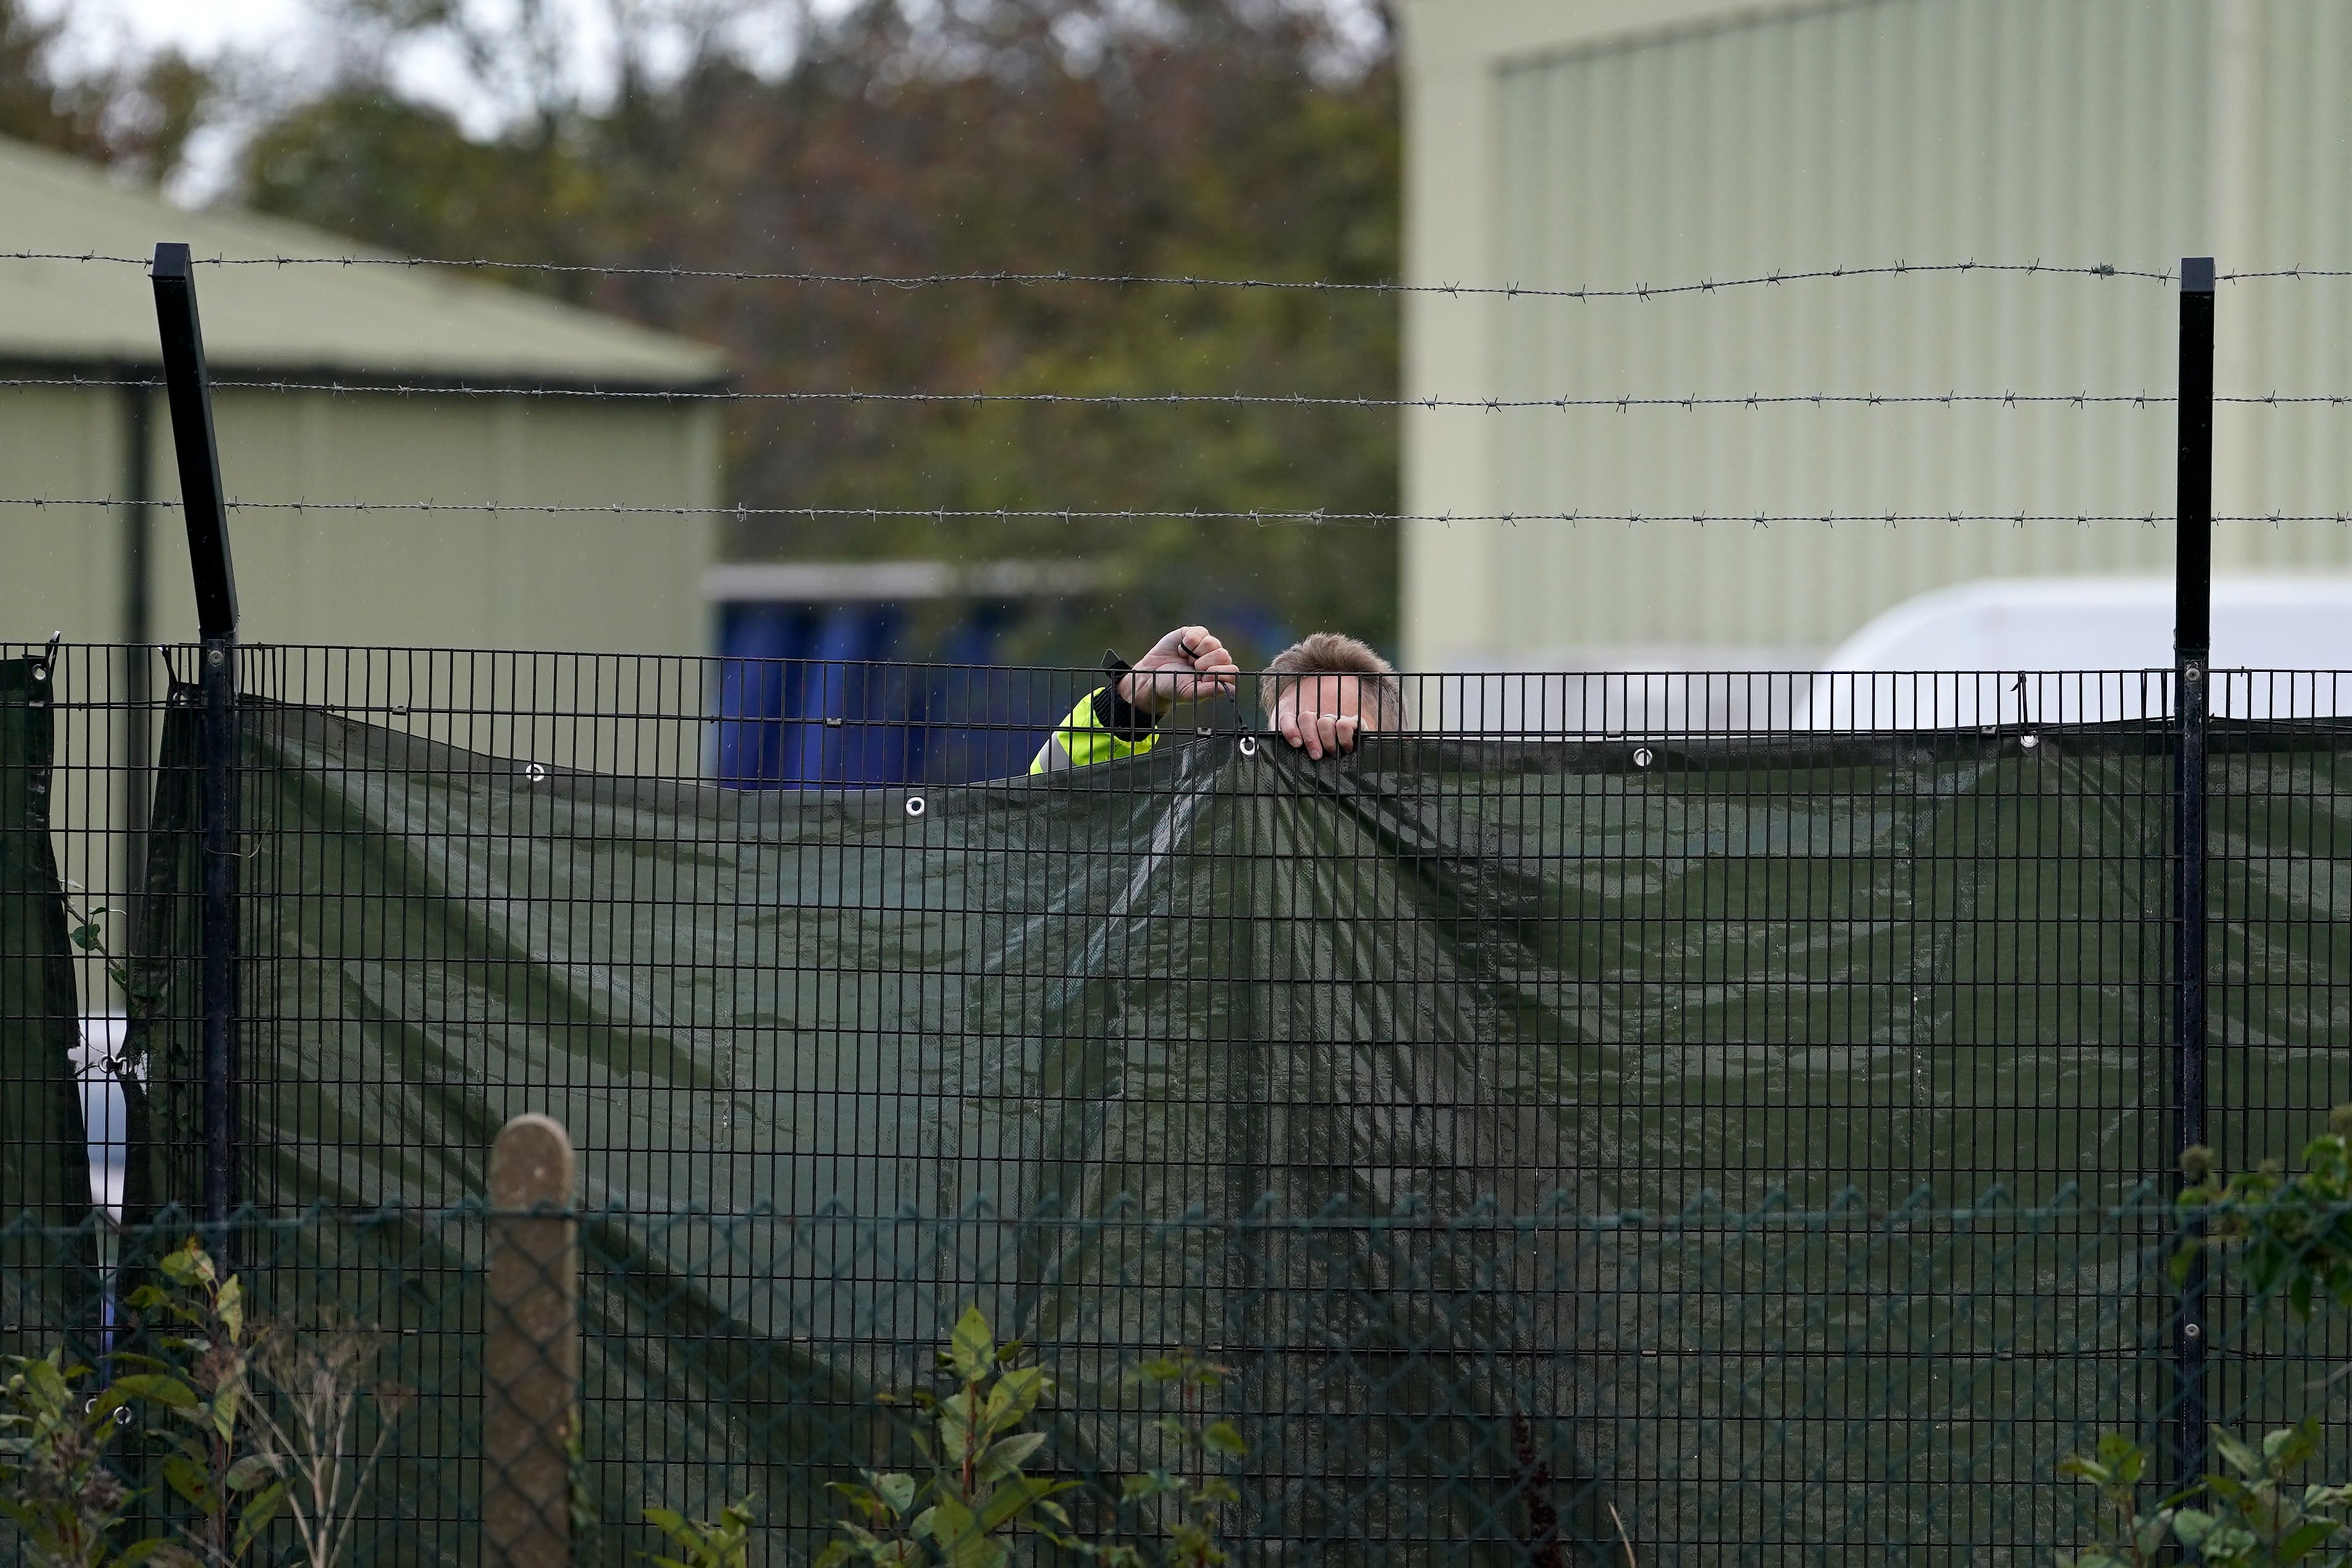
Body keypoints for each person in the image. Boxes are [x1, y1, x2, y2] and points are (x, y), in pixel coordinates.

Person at [1029, 626, 1403, 773]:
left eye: (1345, 731)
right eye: (1288, 735)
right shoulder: (1215, 835)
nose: (1313, 737)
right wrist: (1129, 705)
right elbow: (1051, 821)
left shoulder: (1433, 839)